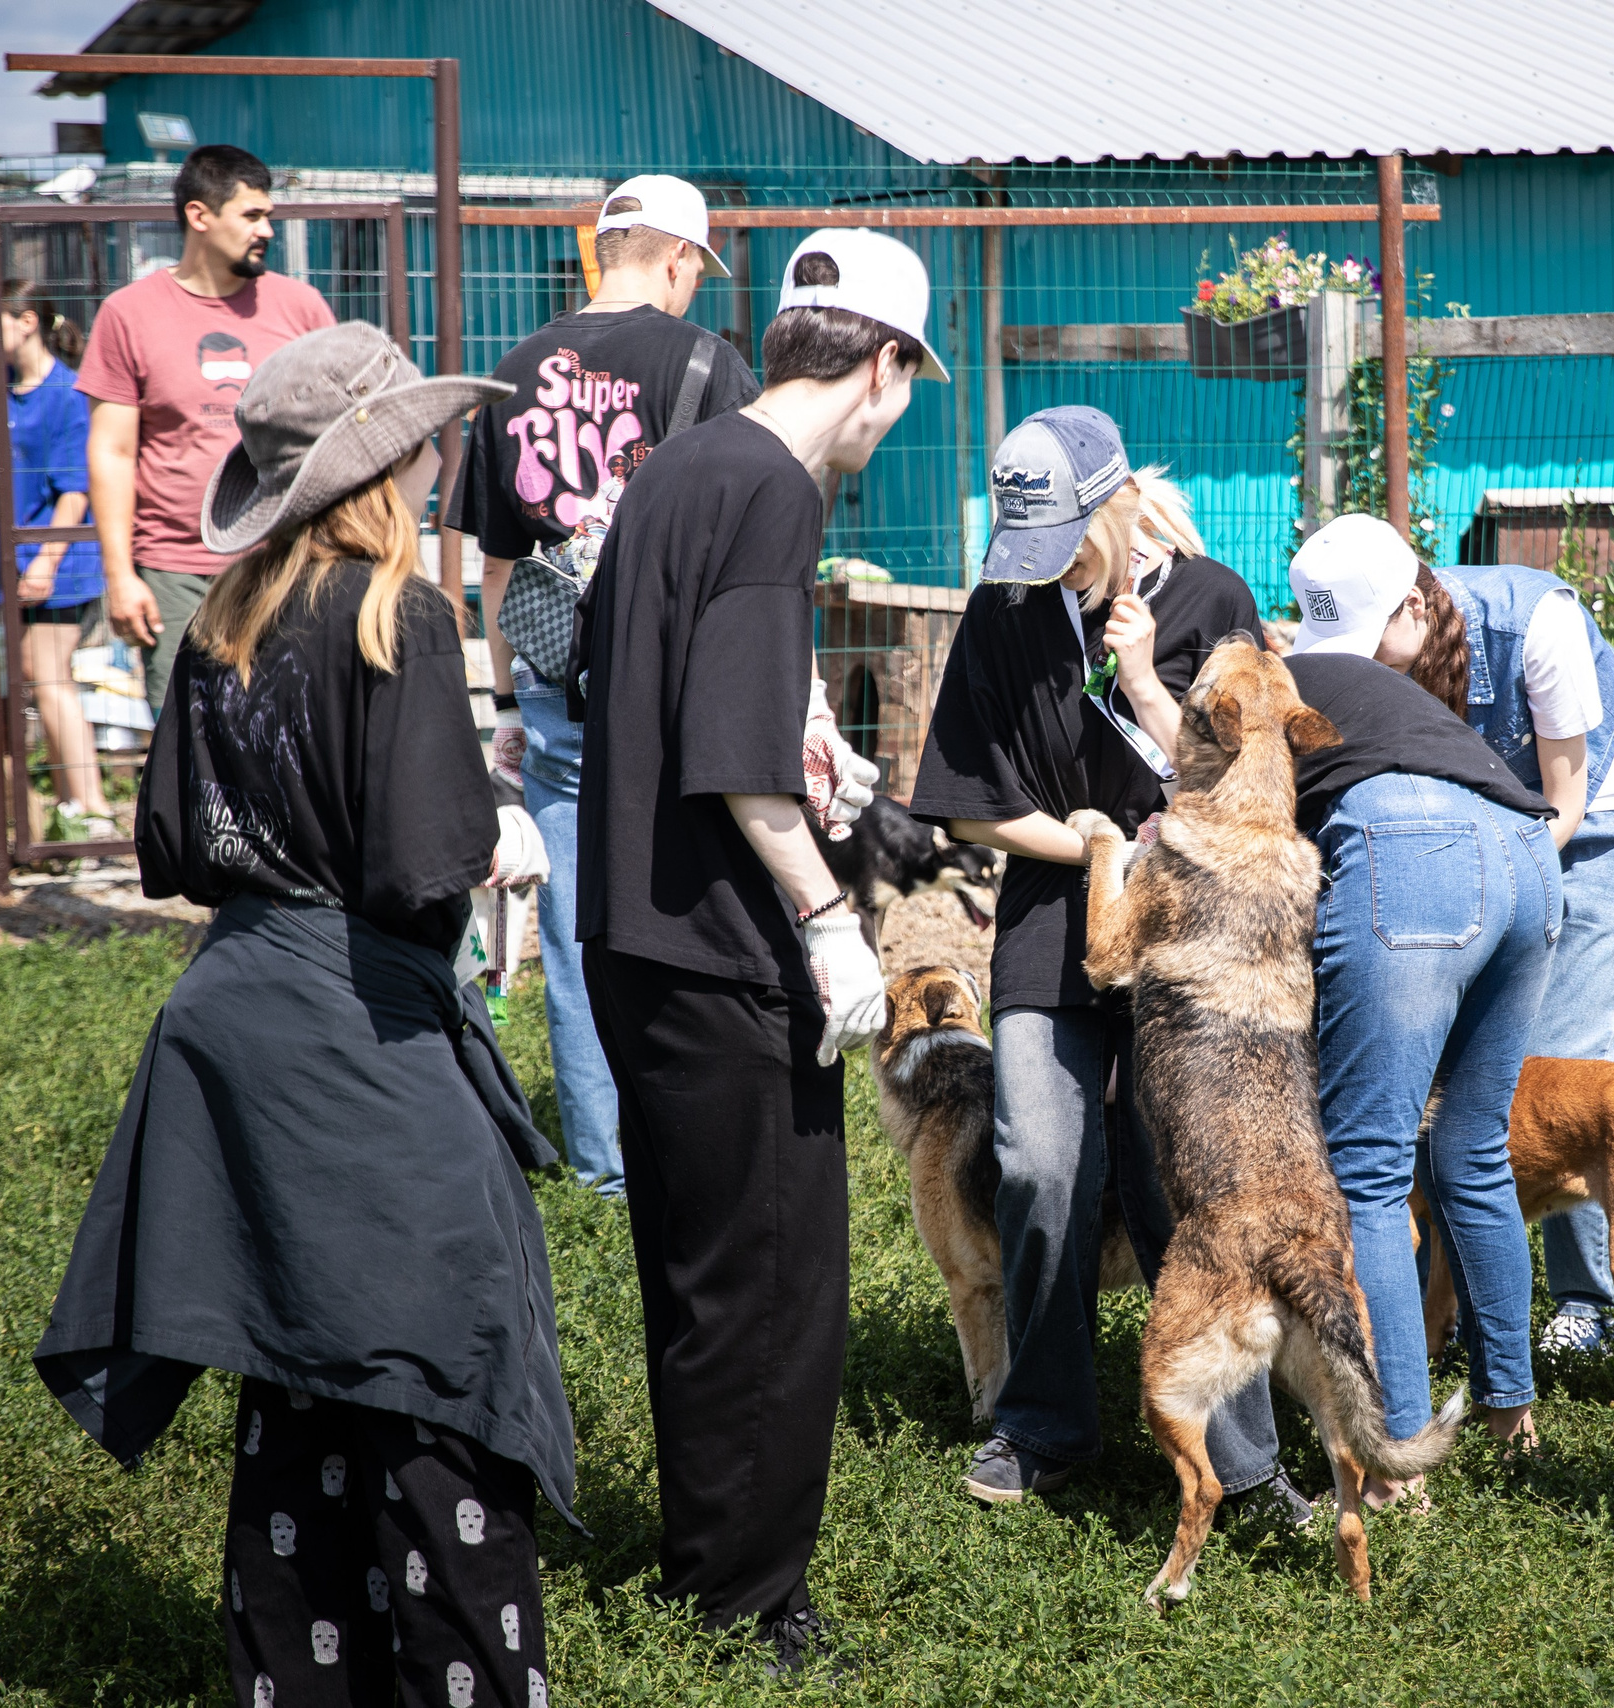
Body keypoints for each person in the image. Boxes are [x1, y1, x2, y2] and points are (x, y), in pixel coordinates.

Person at [31, 321, 573, 1708]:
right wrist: (495, 830)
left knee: (299, 1374)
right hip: (355, 1029)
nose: (447, 455)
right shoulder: (401, 613)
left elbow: (170, 844)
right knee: (438, 1367)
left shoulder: (225, 619)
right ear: (387, 463)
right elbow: (413, 863)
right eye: (426, 439)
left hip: (233, 1022)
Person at [576, 228, 931, 1675]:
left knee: (698, 1277)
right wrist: (834, 926)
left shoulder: (678, 465)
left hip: (628, 931)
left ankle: (700, 1564)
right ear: (887, 370)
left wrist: (840, 785)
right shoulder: (779, 492)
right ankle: (752, 1612)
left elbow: (633, 673)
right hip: (724, 945)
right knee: (780, 1290)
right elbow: (733, 754)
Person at [908, 415, 1315, 1521]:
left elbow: (1255, 776)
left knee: (1188, 1174)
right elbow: (970, 801)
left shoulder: (1213, 601)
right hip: (1053, 916)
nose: (1053, 564)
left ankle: (1242, 1457)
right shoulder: (1003, 611)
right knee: (1039, 1160)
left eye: (1068, 538)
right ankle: (1042, 1424)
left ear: (1118, 501)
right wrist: (1087, 839)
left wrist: (1141, 677)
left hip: (1190, 935)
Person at [448, 174, 757, 1199]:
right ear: (677, 259)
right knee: (699, 909)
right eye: (693, 273)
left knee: (578, 928)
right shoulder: (710, 365)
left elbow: (493, 570)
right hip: (677, 691)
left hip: (554, 687)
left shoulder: (515, 369)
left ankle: (601, 1163)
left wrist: (503, 708)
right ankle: (697, 1140)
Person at [1310, 538, 1614, 1355]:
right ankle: (1445, 1307)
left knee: (1555, 1062)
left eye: (1370, 645)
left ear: (1413, 608)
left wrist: (1471, 911)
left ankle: (1584, 1308)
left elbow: (1565, 803)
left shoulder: (1535, 624)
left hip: (1599, 829)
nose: (1361, 669)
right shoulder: (1374, 651)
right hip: (1479, 841)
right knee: (1462, 1080)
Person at [1284, 514, 1562, 1505]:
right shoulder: (1397, 696)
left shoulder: (1284, 678)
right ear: (1397, 603)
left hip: (1409, 852)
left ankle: (1396, 1461)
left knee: (1364, 1170)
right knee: (1472, 1150)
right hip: (1526, 850)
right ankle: (1509, 1414)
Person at [79, 143, 335, 714]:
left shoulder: (302, 309)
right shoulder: (129, 314)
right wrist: (121, 576)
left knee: (292, 741)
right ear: (200, 216)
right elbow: (113, 452)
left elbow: (339, 437)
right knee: (188, 746)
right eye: (252, 215)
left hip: (287, 564)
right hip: (176, 570)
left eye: (268, 215)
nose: (266, 229)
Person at [0, 281, 112, 837]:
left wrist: (44, 561)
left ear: (29, 322)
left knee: (47, 676)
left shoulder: (66, 394)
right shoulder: (1, 394)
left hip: (56, 563)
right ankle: (70, 803)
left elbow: (75, 491)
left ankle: (93, 809)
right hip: (11, 564)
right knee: (36, 678)